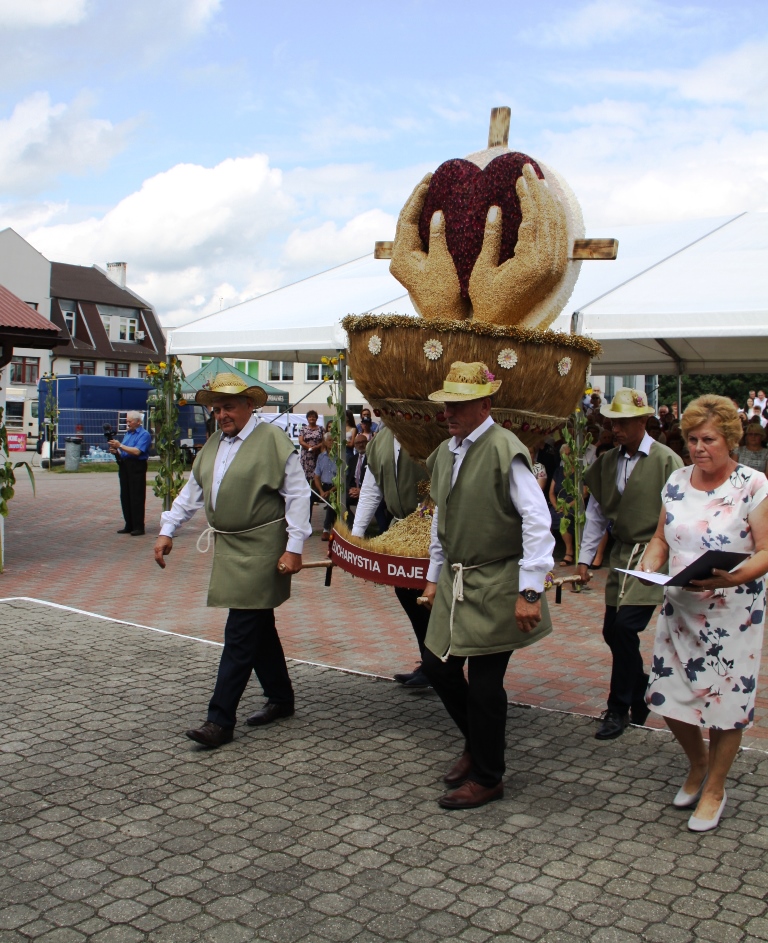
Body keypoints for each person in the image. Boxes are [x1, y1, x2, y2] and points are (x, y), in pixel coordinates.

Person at [421, 362, 555, 810]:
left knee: (483, 682)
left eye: (459, 404)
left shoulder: (504, 448)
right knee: (437, 666)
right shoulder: (446, 452)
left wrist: (530, 590)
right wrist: (432, 578)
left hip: (499, 579)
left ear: (484, 404)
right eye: (447, 404)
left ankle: (488, 776)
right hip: (458, 580)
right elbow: (443, 517)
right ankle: (477, 743)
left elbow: (537, 519)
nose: (449, 413)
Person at [153, 373, 311, 749]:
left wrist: (295, 547)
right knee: (258, 626)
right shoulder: (213, 445)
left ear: (249, 406)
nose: (221, 414)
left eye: (228, 406)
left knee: (240, 632)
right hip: (230, 548)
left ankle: (219, 720)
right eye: (216, 408)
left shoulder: (273, 441)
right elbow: (191, 492)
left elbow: (298, 496)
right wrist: (167, 530)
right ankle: (281, 698)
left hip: (263, 548)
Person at [639, 395, 768, 831]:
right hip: (680, 608)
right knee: (667, 695)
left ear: (729, 439)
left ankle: (715, 787)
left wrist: (730, 579)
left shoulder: (753, 484)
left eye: (708, 439)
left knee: (727, 703)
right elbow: (661, 537)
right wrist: (649, 563)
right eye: (692, 439)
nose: (698, 447)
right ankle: (698, 764)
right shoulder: (676, 480)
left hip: (733, 612)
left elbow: (765, 550)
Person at [577, 388, 683, 741]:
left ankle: (618, 707)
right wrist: (584, 559)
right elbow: (595, 514)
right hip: (621, 555)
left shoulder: (667, 460)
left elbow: (681, 516)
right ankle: (640, 690)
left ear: (643, 421)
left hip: (654, 554)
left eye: (623, 423)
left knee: (624, 628)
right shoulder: (607, 462)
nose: (616, 429)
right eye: (613, 422)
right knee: (612, 631)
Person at [351, 424, 432, 689]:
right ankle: (430, 663)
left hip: (432, 529)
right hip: (401, 529)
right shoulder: (380, 442)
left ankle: (440, 666)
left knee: (430, 597)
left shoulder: (428, 431)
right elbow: (372, 488)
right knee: (407, 592)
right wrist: (357, 534)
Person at [109, 410, 151, 536]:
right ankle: (129, 524)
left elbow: (137, 451)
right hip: (125, 465)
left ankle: (138, 526)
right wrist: (116, 450)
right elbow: (124, 450)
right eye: (127, 421)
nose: (128, 423)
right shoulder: (128, 434)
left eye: (130, 421)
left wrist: (120, 445)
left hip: (137, 466)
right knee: (125, 495)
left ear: (138, 422)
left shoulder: (144, 435)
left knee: (136, 496)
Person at [313, 434, 337, 541]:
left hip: (336, 487)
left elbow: (342, 479)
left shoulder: (341, 457)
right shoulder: (321, 457)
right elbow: (316, 476)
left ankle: (326, 529)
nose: (332, 442)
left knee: (332, 500)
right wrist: (321, 491)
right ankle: (306, 526)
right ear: (325, 442)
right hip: (323, 487)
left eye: (334, 440)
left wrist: (329, 491)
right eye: (330, 440)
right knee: (309, 497)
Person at [298, 410, 324, 500]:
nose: (312, 418)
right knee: (306, 476)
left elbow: (324, 441)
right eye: (310, 417)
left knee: (315, 475)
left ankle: (315, 496)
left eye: (313, 417)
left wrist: (316, 447)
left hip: (317, 455)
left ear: (316, 418)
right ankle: (305, 495)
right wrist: (310, 447)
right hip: (306, 456)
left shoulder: (321, 429)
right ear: (307, 419)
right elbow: (301, 441)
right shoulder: (303, 429)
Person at [346, 433, 369, 521]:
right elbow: (348, 478)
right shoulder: (352, 459)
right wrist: (351, 489)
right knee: (340, 501)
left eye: (363, 442)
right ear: (354, 445)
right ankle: (353, 525)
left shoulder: (371, 457)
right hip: (354, 491)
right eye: (357, 443)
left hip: (367, 491)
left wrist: (361, 491)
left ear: (367, 443)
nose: (360, 445)